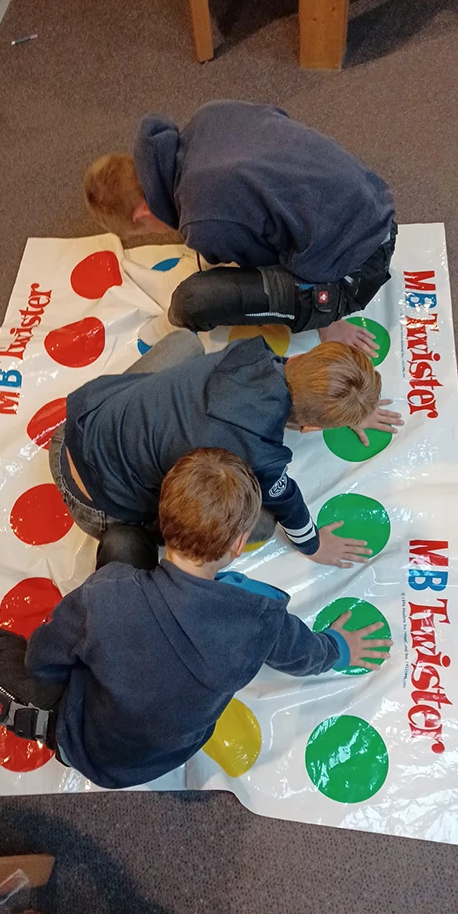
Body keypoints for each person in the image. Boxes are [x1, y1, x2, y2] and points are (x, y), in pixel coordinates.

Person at [0, 449, 392, 789]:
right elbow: (306, 653)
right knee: (121, 546)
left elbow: (43, 661)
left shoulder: (109, 593)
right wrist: (339, 648)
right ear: (239, 545)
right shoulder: (261, 619)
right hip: (171, 751)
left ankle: (40, 721)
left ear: (162, 520)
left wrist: (98, 645)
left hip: (89, 742)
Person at [49, 330, 402, 571]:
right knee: (258, 523)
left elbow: (297, 373)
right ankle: (129, 536)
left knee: (184, 344)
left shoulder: (248, 352)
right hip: (98, 505)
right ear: (311, 429)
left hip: (75, 428)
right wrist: (313, 545)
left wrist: (344, 399)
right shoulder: (258, 455)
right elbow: (288, 503)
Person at [84, 100, 396, 356]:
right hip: (373, 197)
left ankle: (330, 309)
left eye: (147, 231)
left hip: (361, 265)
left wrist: (327, 318)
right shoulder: (210, 115)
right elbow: (280, 123)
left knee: (196, 300)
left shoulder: (202, 221)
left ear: (142, 214)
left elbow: (271, 260)